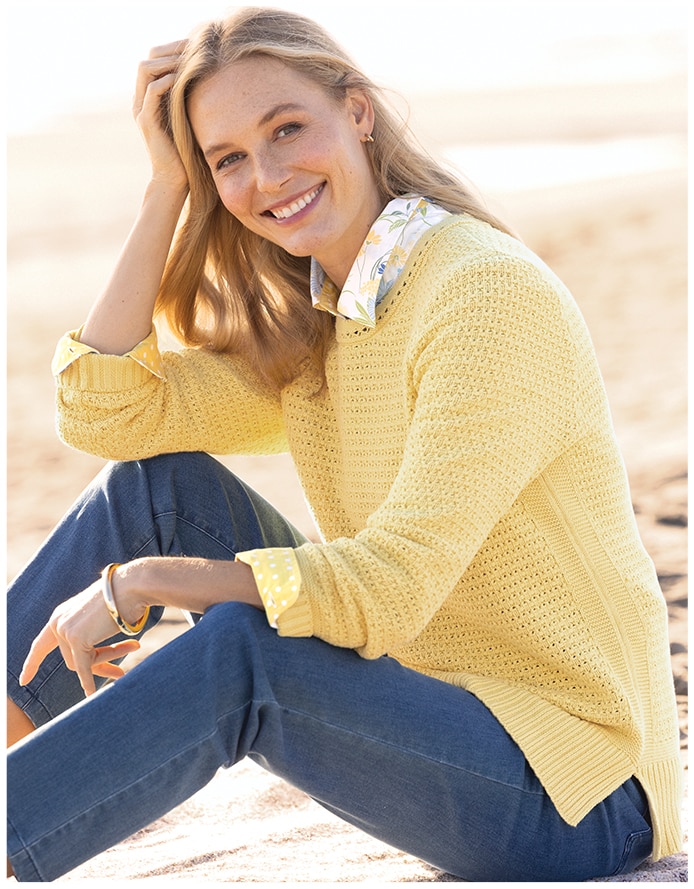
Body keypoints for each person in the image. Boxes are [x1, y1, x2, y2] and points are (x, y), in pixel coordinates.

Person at [6, 6, 682, 882]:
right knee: (157, 486)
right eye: (228, 159)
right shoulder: (329, 316)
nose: (269, 175)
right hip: (437, 709)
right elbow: (110, 417)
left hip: (576, 789)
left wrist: (147, 583)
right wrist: (163, 190)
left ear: (358, 112)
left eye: (287, 128)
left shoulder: (483, 298)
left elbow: (391, 584)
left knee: (240, 654)